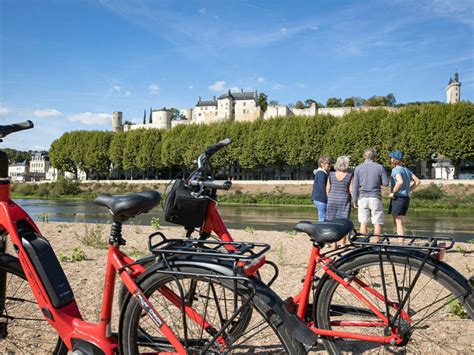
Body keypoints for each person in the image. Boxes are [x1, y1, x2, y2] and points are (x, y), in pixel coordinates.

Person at [352, 148, 388, 238]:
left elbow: (355, 186)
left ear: (364, 156)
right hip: (375, 197)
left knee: (363, 222)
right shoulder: (380, 167)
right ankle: (376, 243)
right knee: (377, 222)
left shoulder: (358, 168)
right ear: (375, 157)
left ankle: (364, 243)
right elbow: (386, 183)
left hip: (362, 198)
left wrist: (354, 200)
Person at [388, 150, 421, 237]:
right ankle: (401, 235)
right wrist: (409, 189)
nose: (390, 159)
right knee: (396, 219)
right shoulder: (406, 170)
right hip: (405, 198)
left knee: (398, 220)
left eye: (391, 157)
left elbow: (400, 182)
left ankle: (401, 241)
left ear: (394, 159)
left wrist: (393, 192)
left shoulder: (395, 170)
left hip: (398, 198)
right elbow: (417, 181)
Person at [326, 155, 353, 248]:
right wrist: (354, 202)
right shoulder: (349, 175)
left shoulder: (331, 175)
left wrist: (330, 198)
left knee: (332, 222)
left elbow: (327, 189)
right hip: (344, 201)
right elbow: (351, 190)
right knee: (343, 222)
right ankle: (343, 243)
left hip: (332, 200)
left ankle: (334, 244)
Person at [311, 156, 331, 222]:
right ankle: (321, 230)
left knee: (324, 216)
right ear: (322, 164)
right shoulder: (321, 174)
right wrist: (327, 199)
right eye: (328, 163)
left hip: (318, 198)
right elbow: (322, 188)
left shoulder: (322, 173)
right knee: (322, 217)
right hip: (320, 199)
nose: (329, 165)